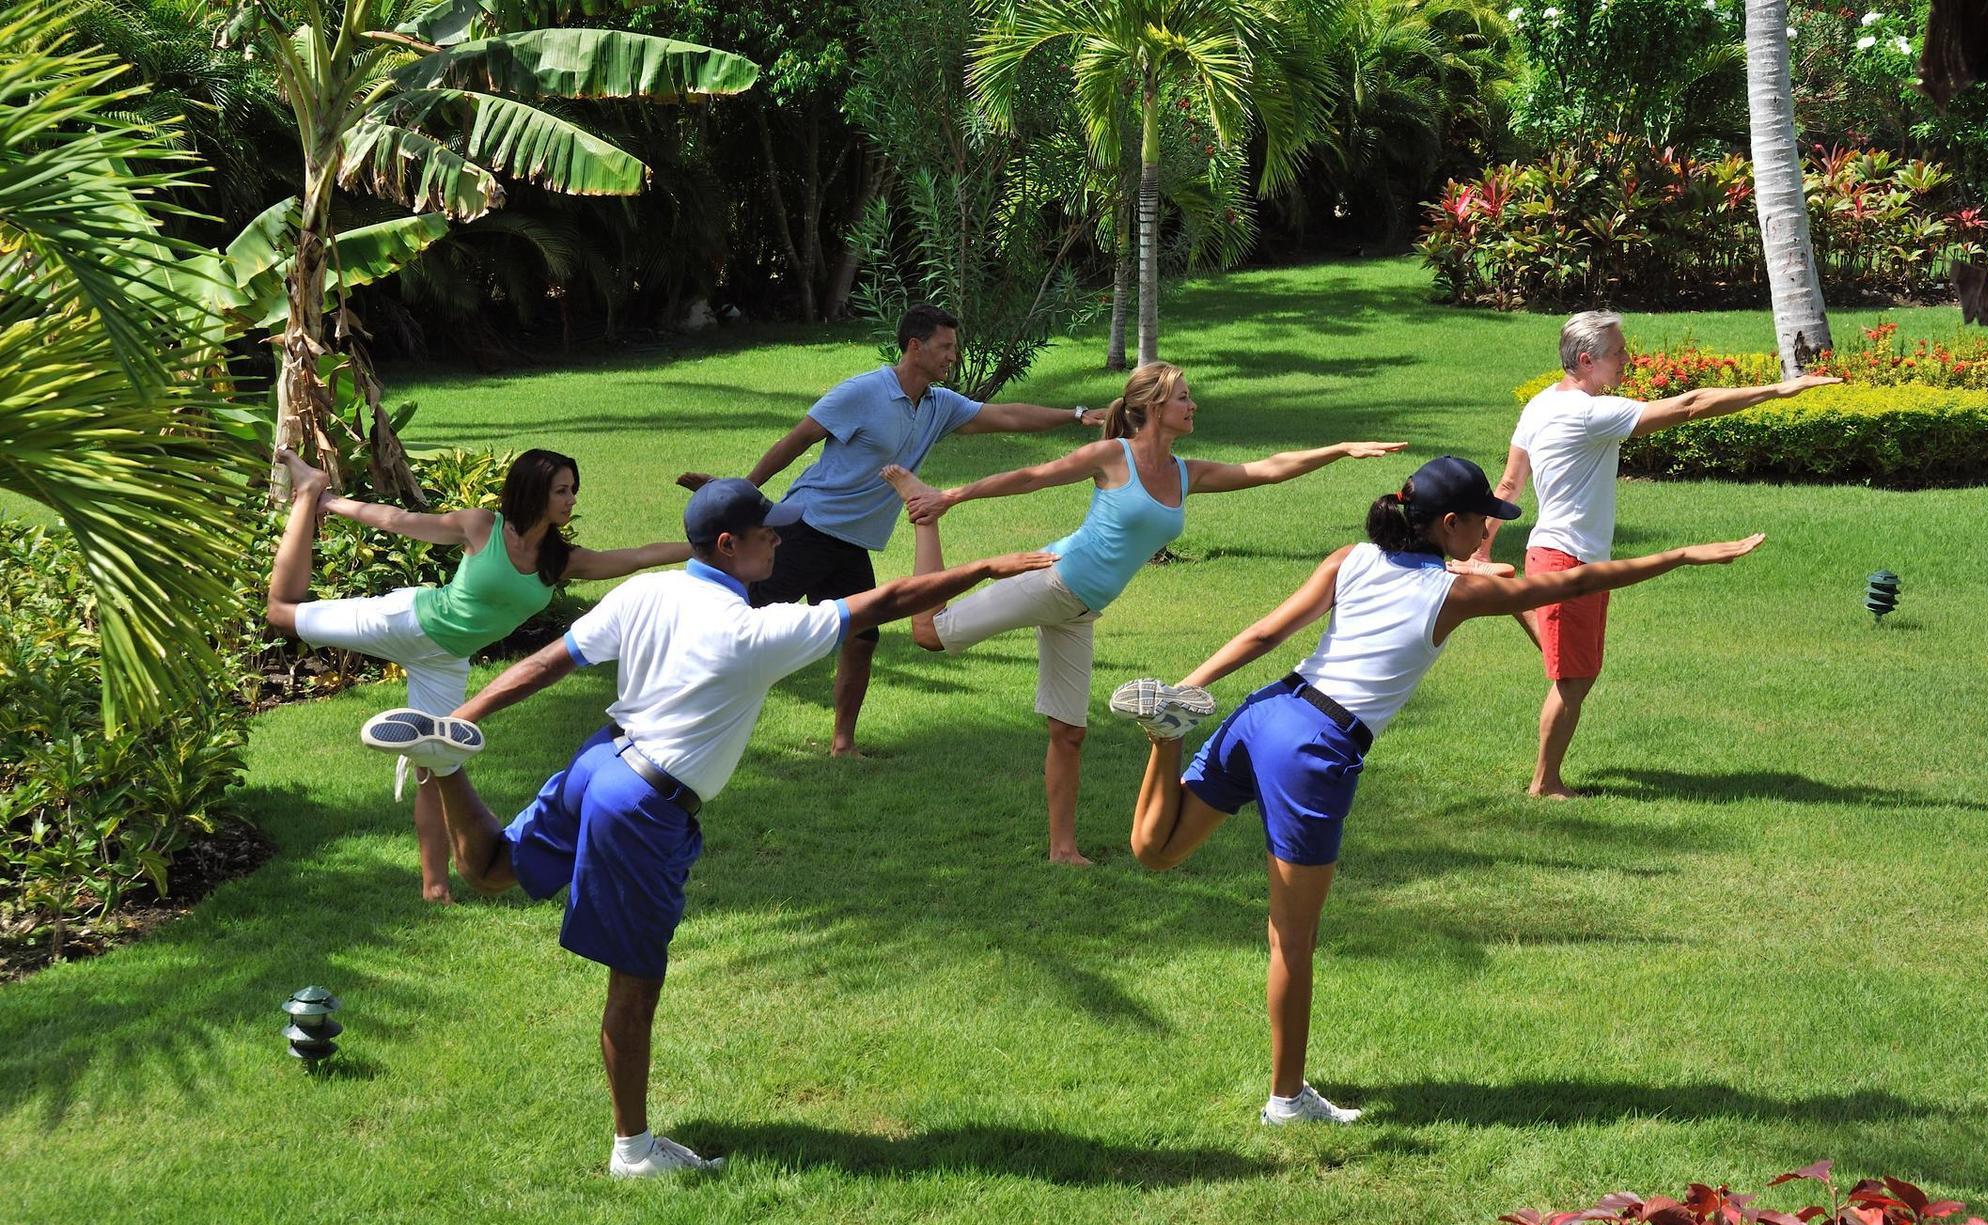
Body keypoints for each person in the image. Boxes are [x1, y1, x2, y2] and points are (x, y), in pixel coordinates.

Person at [362, 479, 1055, 1177]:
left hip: (599, 760)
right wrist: (987, 567)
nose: (779, 540)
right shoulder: (754, 632)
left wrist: (464, 717)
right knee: (634, 984)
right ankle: (633, 1151)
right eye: (768, 532)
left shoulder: (648, 592)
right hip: (641, 805)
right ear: (729, 545)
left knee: (491, 869)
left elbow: (548, 663)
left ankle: (442, 760)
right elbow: (886, 601)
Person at [1111, 456, 1765, 1126]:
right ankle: (1286, 1100)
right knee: (1292, 937)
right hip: (1315, 749)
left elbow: (1266, 632)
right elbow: (1586, 579)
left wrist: (1187, 683)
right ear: (1450, 524)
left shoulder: (1354, 557)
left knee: (1156, 851)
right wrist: (1682, 554)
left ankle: (1167, 732)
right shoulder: (1453, 596)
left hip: (1267, 708)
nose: (1491, 529)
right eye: (1485, 521)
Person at [878, 360, 1405, 865]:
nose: (1193, 405)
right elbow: (1032, 477)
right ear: (1154, 406)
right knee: (928, 632)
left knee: (1069, 732)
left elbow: (1264, 470)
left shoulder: (1183, 473)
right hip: (1051, 578)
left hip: (1080, 610)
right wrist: (948, 499)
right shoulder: (1113, 456)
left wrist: (1338, 448)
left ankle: (1063, 849)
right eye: (1183, 397)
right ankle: (922, 513)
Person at [675, 304, 1106, 758]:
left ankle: (842, 744)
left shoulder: (939, 405)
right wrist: (737, 496)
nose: (952, 358)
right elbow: (795, 441)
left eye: (954, 349)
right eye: (944, 347)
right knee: (743, 621)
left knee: (862, 639)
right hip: (809, 525)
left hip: (851, 542)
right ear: (914, 347)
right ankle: (680, 702)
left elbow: (1009, 416)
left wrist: (1076, 414)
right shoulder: (862, 393)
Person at [266, 446, 690, 903]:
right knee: (281, 613)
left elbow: (639, 556)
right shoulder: (481, 527)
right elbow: (398, 521)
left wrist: (705, 546)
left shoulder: (559, 560)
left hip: (446, 660)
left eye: (573, 490)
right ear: (534, 493)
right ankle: (308, 491)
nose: (570, 500)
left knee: (434, 760)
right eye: (561, 491)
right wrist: (328, 502)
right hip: (409, 622)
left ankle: (435, 888)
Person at [1476, 310, 1837, 798]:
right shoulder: (1588, 414)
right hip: (1569, 559)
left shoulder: (1540, 405)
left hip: (1558, 553)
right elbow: (1689, 406)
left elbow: (1508, 484)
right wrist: (1774, 391)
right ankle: (1545, 782)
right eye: (1619, 352)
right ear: (1586, 361)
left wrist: (1482, 548)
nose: (1628, 358)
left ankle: (1512, 591)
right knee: (1573, 679)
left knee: (1573, 662)